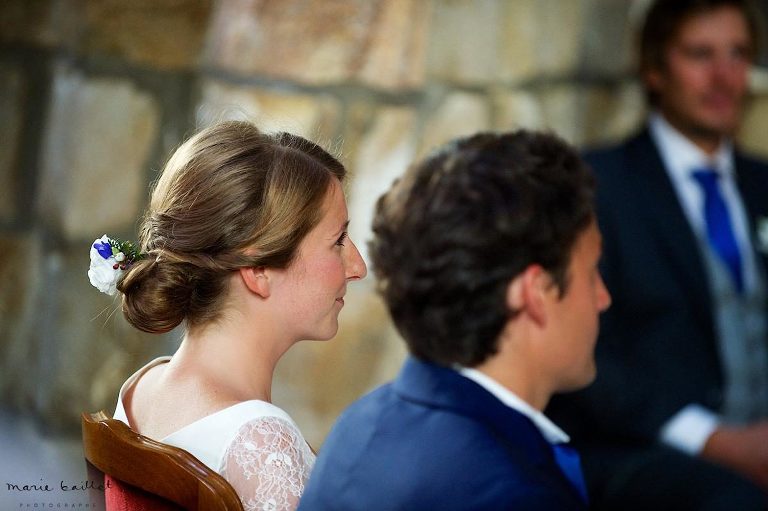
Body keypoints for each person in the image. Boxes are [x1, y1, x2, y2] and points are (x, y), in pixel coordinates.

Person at [297, 130, 611, 510]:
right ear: (536, 293)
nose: (603, 298)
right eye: (592, 273)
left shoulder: (361, 423)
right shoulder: (518, 495)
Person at [546, 0, 768, 509]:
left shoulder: (763, 183)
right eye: (700, 54)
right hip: (644, 454)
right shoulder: (595, 184)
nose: (723, 75)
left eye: (738, 55)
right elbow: (577, 345)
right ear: (653, 68)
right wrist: (712, 439)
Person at [87, 121, 367, 510]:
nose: (358, 266)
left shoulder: (144, 387)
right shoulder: (261, 444)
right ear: (258, 269)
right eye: (338, 240)